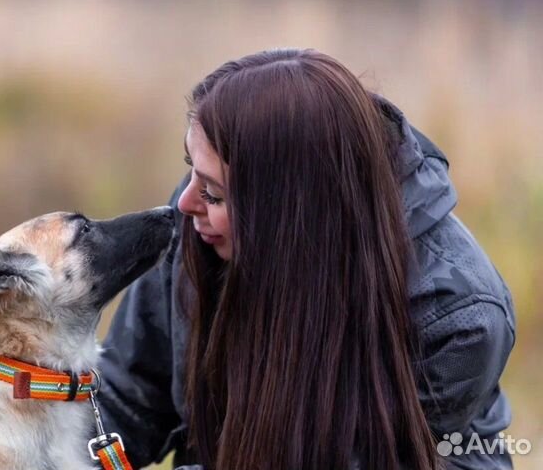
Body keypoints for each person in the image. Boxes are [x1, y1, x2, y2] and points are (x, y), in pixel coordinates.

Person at [96, 49, 515, 470]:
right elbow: (124, 396)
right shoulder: (198, 224)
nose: (185, 204)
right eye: (192, 171)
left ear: (289, 209)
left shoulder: (457, 313)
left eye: (214, 193)